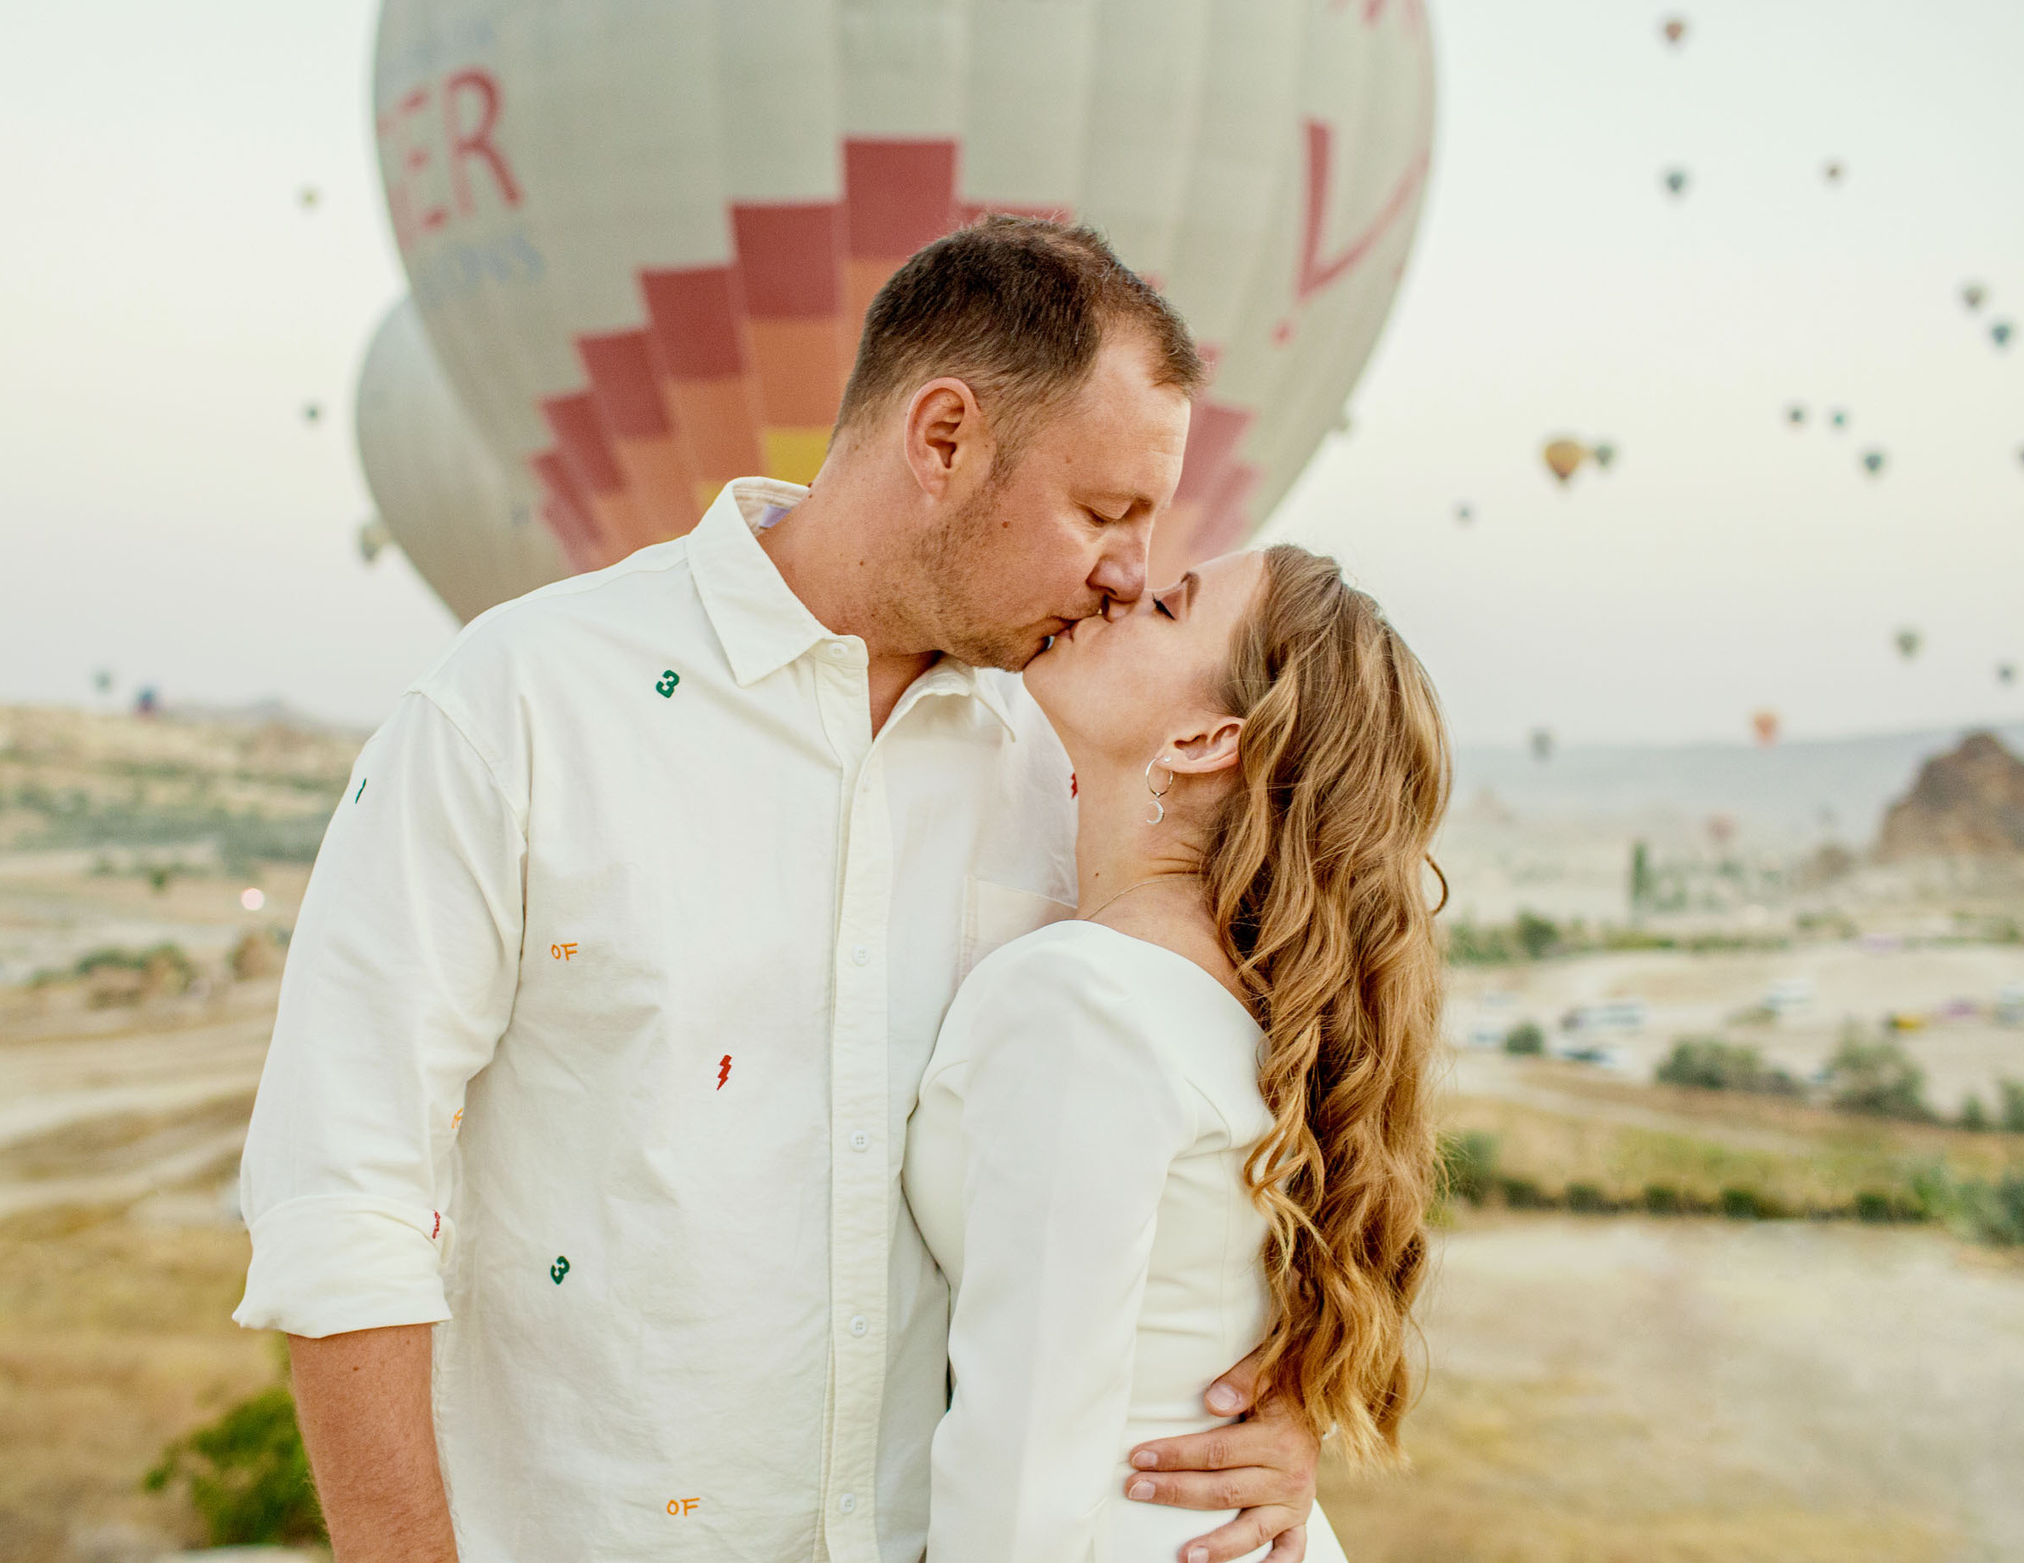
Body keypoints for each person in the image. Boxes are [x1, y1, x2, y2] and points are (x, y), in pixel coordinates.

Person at [232, 217, 1327, 1563]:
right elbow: (344, 1194)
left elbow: (1230, 1097)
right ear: (943, 439)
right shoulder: (520, 705)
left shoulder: (1072, 769)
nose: (1130, 572)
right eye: (1105, 512)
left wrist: (1277, 1394)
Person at [906, 545, 1449, 1563]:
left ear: (1207, 737)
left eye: (1164, 605)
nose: (1117, 586)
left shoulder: (1083, 1001)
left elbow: (1021, 1482)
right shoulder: (1245, 1013)